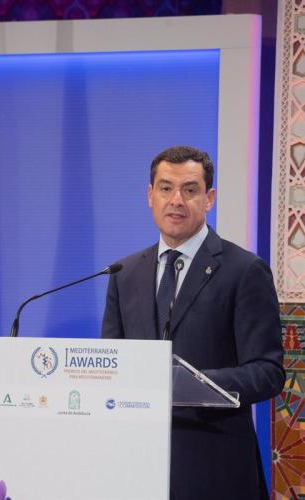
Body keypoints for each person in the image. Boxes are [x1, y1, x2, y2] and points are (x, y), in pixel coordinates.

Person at [101, 145, 285, 500]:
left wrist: (194, 385)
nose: (176, 200)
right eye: (166, 188)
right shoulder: (124, 273)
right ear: (150, 196)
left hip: (214, 467)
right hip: (136, 465)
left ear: (209, 198)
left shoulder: (244, 270)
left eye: (190, 190)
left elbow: (268, 371)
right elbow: (114, 363)